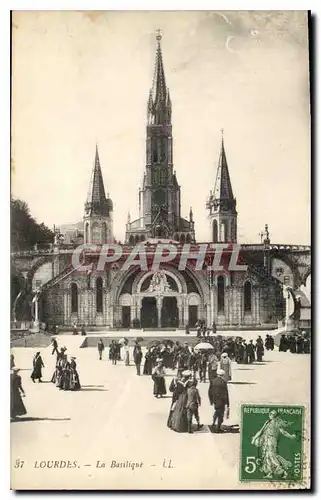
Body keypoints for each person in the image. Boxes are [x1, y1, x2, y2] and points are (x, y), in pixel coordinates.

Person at [251, 410, 296, 479]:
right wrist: (254, 439)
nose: (270, 414)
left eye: (272, 414)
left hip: (271, 441)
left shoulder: (277, 423)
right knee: (267, 457)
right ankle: (270, 473)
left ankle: (283, 471)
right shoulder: (267, 423)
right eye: (270, 413)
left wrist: (291, 436)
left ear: (275, 415)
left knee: (272, 456)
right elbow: (261, 431)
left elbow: (283, 432)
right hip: (266, 441)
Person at [208, 368, 230, 433]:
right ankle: (218, 427)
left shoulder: (212, 381)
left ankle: (213, 423)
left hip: (215, 400)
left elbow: (210, 391)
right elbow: (226, 394)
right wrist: (227, 403)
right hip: (221, 401)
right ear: (223, 375)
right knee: (220, 414)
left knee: (217, 411)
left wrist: (211, 400)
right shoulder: (223, 382)